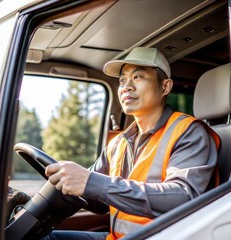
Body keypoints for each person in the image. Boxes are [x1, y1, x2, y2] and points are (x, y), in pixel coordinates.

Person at [43, 47, 220, 240]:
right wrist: (39, 199)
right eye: (122, 80)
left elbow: (183, 197)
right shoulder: (119, 142)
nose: (127, 86)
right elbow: (93, 196)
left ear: (165, 87)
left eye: (138, 77)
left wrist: (93, 183)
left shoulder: (188, 131)